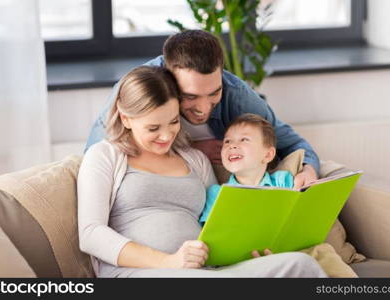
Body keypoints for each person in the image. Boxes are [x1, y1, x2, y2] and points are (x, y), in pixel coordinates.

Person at [77, 65, 327, 277]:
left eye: (173, 122)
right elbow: (90, 234)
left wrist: (253, 251)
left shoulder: (194, 159)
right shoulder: (105, 155)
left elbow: (221, 222)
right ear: (126, 118)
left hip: (206, 271)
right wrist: (169, 262)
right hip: (143, 273)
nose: (166, 136)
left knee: (301, 265)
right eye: (153, 128)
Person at [85, 30, 320, 190]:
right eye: (190, 96)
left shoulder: (236, 95)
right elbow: (96, 152)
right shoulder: (137, 90)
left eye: (214, 93)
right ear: (167, 76)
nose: (203, 109)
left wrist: (310, 170)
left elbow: (294, 144)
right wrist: (189, 148)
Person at [200, 114, 295, 233]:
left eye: (244, 139)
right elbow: (210, 233)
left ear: (267, 155)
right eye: (227, 141)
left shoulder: (282, 180)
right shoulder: (217, 193)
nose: (232, 145)